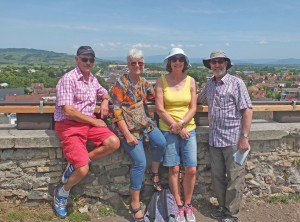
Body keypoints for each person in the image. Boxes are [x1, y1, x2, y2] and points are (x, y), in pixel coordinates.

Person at [53, 46, 120, 218]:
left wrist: (104, 100)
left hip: (87, 124)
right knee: (82, 170)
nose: (88, 62)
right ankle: (62, 192)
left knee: (114, 142)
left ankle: (79, 161)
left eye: (91, 59)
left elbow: (104, 92)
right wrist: (94, 121)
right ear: (77, 59)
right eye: (85, 59)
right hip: (69, 125)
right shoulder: (69, 79)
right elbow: (69, 111)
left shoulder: (92, 79)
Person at [111, 48, 167, 222]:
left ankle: (155, 172)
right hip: (127, 129)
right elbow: (116, 110)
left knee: (161, 142)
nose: (137, 66)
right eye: (133, 63)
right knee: (140, 163)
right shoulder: (121, 84)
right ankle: (135, 203)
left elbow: (154, 97)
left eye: (140, 63)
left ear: (143, 65)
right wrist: (127, 134)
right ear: (128, 65)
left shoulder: (144, 83)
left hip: (144, 125)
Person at [198, 50, 253, 222]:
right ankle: (223, 208)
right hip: (215, 139)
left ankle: (232, 213)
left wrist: (244, 137)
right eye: (214, 62)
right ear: (210, 66)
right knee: (218, 177)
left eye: (220, 62)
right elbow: (198, 99)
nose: (217, 65)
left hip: (234, 139)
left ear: (226, 64)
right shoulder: (210, 85)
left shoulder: (237, 83)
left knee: (235, 178)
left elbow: (247, 109)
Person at [155, 48, 197, 222]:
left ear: (185, 63)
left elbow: (193, 108)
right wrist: (177, 127)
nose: (177, 62)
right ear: (169, 63)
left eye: (181, 59)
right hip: (168, 129)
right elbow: (159, 108)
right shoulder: (161, 81)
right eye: (174, 59)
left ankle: (188, 204)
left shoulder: (191, 81)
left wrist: (182, 125)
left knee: (191, 169)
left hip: (188, 127)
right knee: (173, 168)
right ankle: (178, 205)